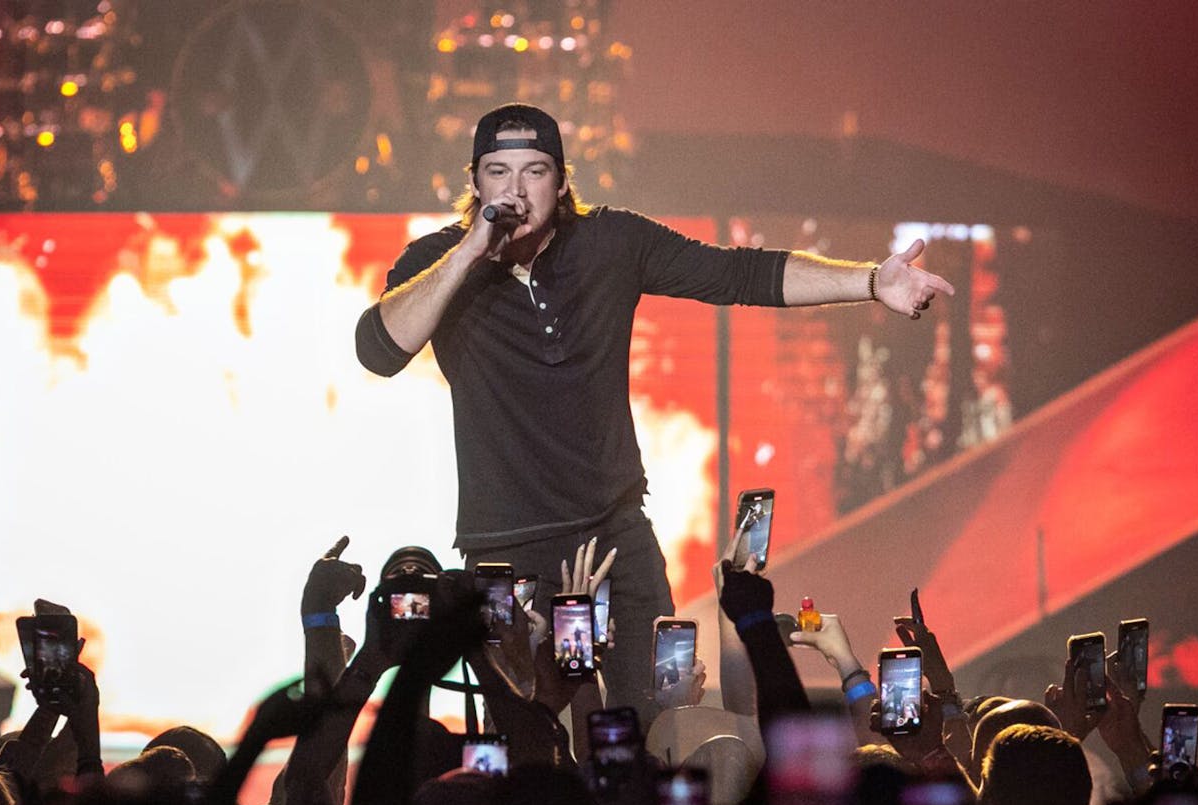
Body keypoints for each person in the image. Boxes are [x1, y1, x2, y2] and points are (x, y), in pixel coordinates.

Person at [356, 101, 955, 721]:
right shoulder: (434, 262)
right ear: (475, 182)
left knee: (663, 711)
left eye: (533, 171)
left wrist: (869, 281)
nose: (514, 190)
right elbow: (378, 351)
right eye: (498, 172)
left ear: (561, 182)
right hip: (506, 550)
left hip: (616, 535)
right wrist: (468, 254)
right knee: (530, 730)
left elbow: (737, 275)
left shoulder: (613, 241)